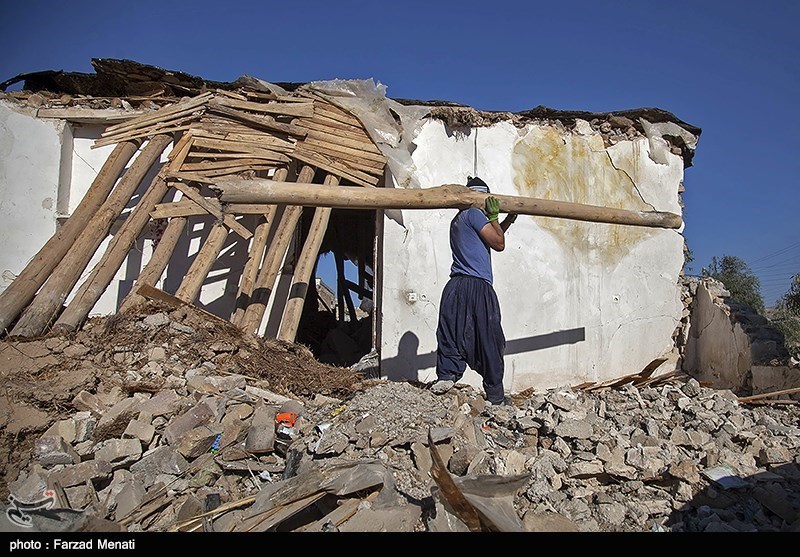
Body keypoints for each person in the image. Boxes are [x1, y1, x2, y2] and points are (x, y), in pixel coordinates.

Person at [432, 176, 517, 405]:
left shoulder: (459, 219)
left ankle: (446, 376)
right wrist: (495, 217)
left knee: (452, 332)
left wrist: (505, 221)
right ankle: (496, 396)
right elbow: (498, 244)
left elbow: (490, 237)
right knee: (489, 337)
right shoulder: (474, 214)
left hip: (456, 286)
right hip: (476, 285)